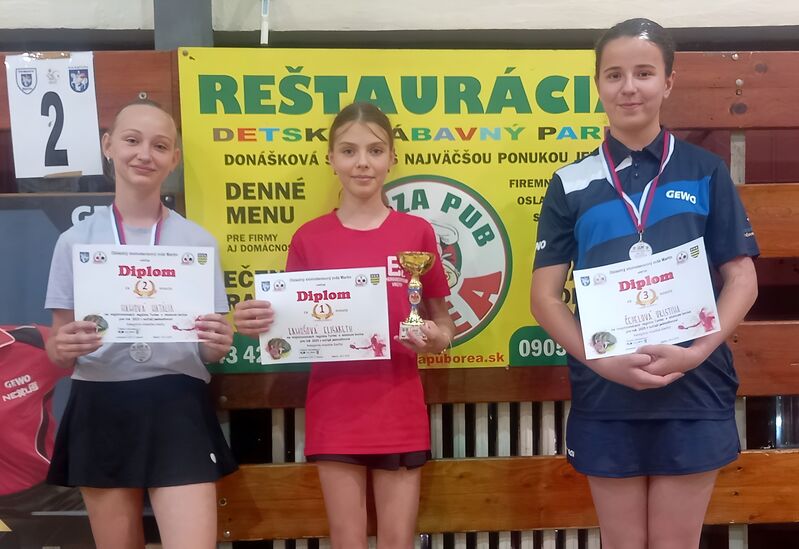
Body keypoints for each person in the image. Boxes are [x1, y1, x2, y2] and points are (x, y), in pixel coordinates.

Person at [530, 18, 759, 549]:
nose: (628, 87)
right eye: (614, 75)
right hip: (606, 390)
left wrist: (695, 353)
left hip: (693, 387)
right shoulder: (570, 183)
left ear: (668, 82)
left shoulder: (706, 171)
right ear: (598, 84)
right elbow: (544, 298)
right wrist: (600, 361)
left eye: (644, 73)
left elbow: (742, 279)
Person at [234, 102, 455, 549]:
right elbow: (289, 326)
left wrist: (435, 338)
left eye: (375, 150)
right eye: (349, 151)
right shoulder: (309, 238)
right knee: (346, 540)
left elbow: (444, 324)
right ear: (331, 158)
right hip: (334, 410)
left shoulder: (416, 233)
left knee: (398, 541)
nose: (362, 163)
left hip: (398, 408)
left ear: (392, 157)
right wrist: (256, 322)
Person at [44, 99, 237, 549]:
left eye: (160, 145)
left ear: (175, 158)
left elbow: (208, 348)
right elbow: (57, 347)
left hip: (177, 404)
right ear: (108, 146)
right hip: (101, 403)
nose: (144, 154)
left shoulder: (197, 244)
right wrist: (63, 346)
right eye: (132, 140)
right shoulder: (74, 242)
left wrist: (217, 343)